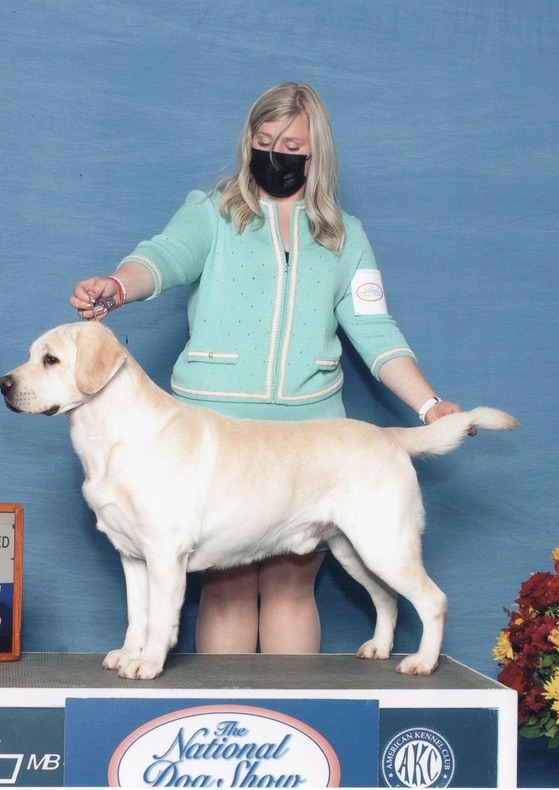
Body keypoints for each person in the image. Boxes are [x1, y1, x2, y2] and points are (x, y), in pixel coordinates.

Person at [70, 82, 469, 658]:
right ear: (248, 142)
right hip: (214, 433)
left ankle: (289, 712)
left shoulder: (345, 235)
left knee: (290, 589)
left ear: (316, 153)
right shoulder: (211, 212)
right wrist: (117, 285)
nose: (275, 155)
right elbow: (161, 258)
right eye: (264, 142)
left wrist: (430, 406)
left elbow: (376, 331)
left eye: (292, 147)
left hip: (310, 440)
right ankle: (226, 710)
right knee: (226, 592)